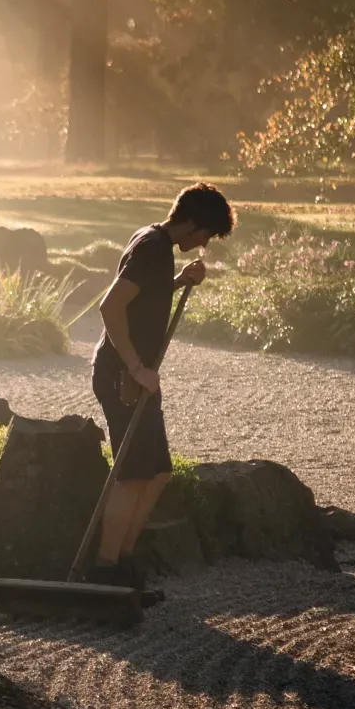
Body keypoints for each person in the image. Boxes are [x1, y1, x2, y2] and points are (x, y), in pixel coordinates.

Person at [91, 183, 235, 589]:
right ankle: (105, 567)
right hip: (123, 374)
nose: (205, 243)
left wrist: (178, 281)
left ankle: (124, 558)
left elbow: (143, 295)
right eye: (206, 234)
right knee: (133, 473)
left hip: (137, 374)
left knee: (158, 472)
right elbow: (111, 306)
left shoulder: (155, 243)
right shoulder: (152, 245)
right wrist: (136, 367)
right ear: (190, 223)